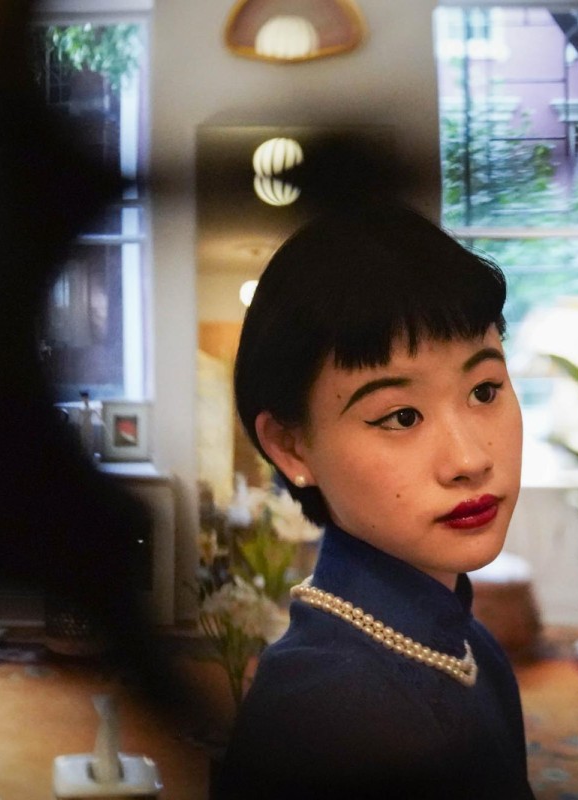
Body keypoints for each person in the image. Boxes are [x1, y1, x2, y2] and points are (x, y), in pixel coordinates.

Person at [215, 204, 533, 798]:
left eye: (485, 389)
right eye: (401, 416)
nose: (468, 459)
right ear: (291, 446)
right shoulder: (329, 717)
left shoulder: (471, 645)